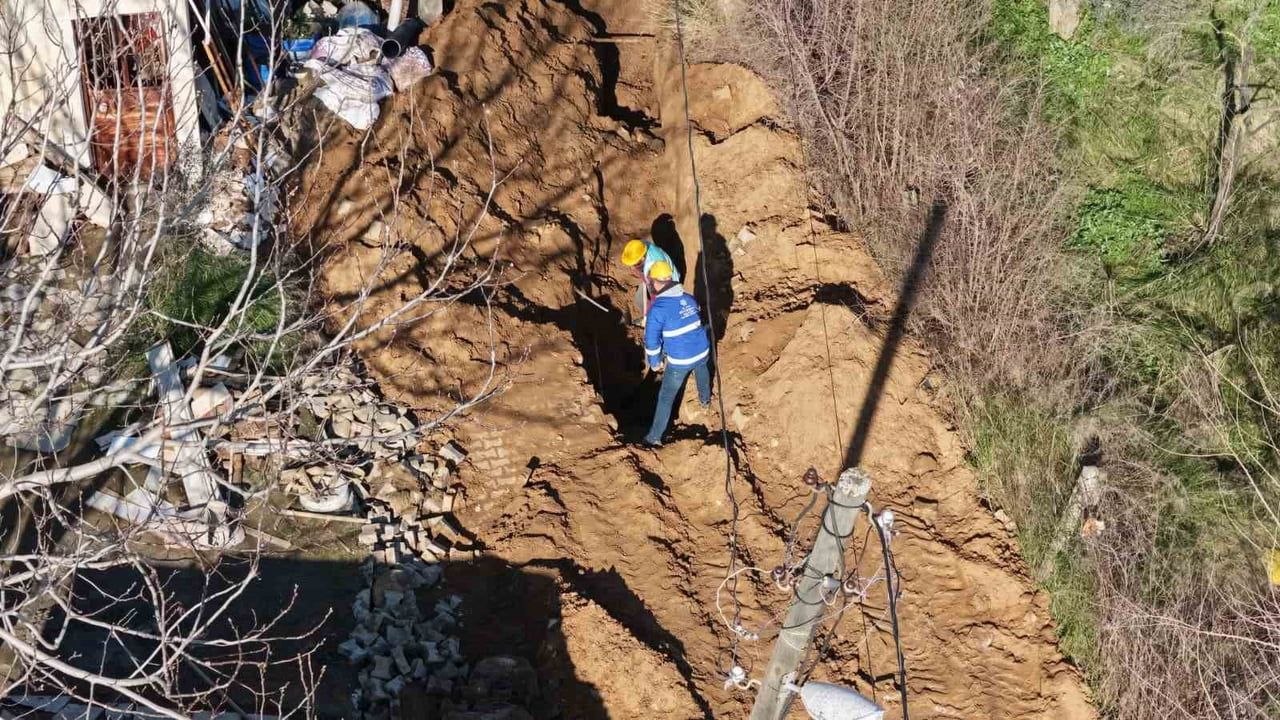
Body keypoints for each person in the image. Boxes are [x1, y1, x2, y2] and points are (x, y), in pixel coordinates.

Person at [641, 261, 712, 447]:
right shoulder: (688, 298)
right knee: (702, 369)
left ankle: (654, 437)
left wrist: (655, 362)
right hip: (702, 349)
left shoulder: (658, 310)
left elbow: (652, 341)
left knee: (665, 397)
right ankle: (705, 400)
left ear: (655, 282)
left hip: (681, 359)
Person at [620, 238, 680, 324]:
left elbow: (656, 296)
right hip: (655, 277)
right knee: (639, 298)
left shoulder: (653, 267)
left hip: (669, 284)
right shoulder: (642, 246)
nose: (632, 267)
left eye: (635, 264)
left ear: (643, 258)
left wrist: (649, 315)